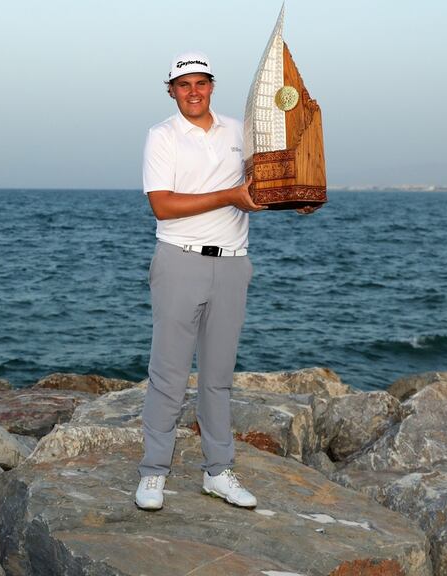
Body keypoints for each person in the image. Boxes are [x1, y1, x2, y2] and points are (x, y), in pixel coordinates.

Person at [135, 51, 264, 511]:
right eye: (183, 84)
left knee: (218, 376)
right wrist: (230, 195)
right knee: (168, 373)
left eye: (201, 83)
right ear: (171, 90)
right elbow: (163, 206)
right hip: (179, 261)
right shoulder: (162, 136)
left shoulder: (238, 131)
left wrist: (298, 199)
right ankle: (153, 473)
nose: (193, 91)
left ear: (212, 86)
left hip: (233, 263)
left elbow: (265, 183)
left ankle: (217, 471)